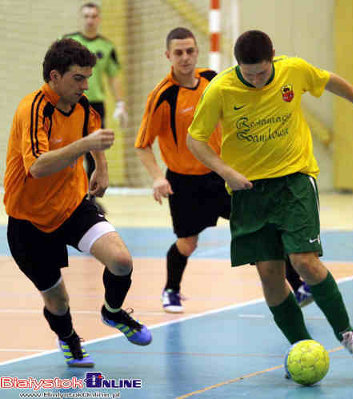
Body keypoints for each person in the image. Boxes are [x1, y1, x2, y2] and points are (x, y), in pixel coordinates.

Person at [187, 30, 353, 361]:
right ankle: (303, 347)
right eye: (248, 73)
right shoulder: (221, 89)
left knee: (303, 261)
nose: (256, 80)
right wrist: (226, 172)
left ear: (273, 56)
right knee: (270, 275)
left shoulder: (293, 70)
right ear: (237, 65)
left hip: (294, 179)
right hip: (248, 190)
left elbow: (329, 81)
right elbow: (195, 140)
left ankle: (347, 333)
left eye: (262, 72)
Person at [135, 27, 311, 313]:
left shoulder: (213, 80)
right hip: (185, 182)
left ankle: (298, 284)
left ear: (197, 52)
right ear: (168, 56)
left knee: (260, 230)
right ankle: (171, 290)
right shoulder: (162, 96)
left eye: (190, 51)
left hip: (222, 175)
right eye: (178, 53)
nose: (185, 58)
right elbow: (143, 144)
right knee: (187, 243)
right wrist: (157, 177)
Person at [4, 38, 151, 368]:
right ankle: (69, 338)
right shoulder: (34, 109)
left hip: (72, 205)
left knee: (121, 261)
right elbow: (38, 166)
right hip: (28, 220)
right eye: (78, 78)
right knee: (58, 301)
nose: (86, 86)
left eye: (88, 77)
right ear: (54, 77)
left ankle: (112, 313)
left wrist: (101, 165)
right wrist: (84, 145)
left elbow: (92, 130)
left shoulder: (83, 106)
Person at [64, 2, 128, 212]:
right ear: (81, 19)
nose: (90, 19)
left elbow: (114, 76)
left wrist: (120, 103)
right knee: (72, 151)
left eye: (94, 16)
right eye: (86, 16)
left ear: (99, 19)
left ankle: (90, 199)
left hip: (95, 106)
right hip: (71, 103)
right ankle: (69, 197)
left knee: (96, 153)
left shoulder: (107, 47)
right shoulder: (68, 42)